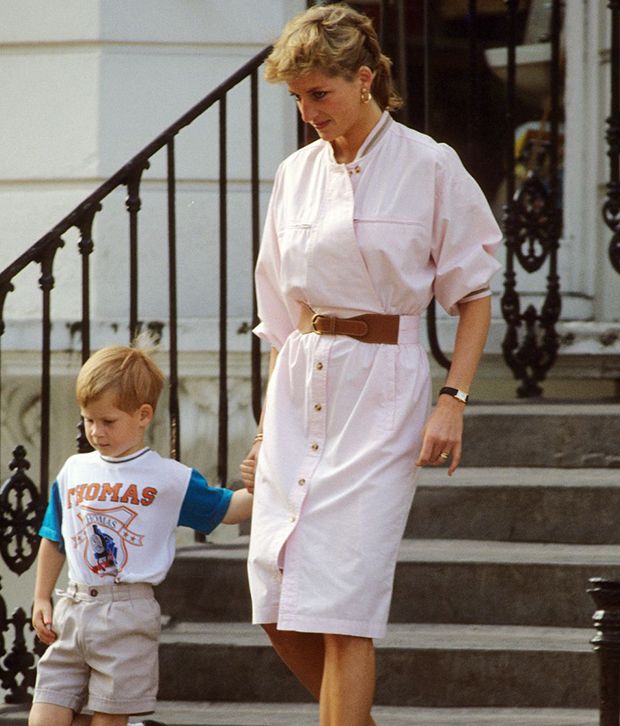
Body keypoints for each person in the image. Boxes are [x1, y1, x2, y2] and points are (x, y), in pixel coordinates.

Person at [239, 3, 502, 725]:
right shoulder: (295, 175)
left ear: (364, 80)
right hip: (300, 384)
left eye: (318, 94)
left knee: (343, 603)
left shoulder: (429, 164)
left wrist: (455, 398)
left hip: (383, 388)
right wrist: (265, 432)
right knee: (274, 588)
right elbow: (282, 318)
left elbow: (472, 296)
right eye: (297, 99)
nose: (307, 112)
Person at [29, 341, 253, 726]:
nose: (96, 431)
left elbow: (228, 510)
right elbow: (54, 536)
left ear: (143, 414)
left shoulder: (169, 478)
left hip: (127, 614)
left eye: (108, 421)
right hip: (73, 609)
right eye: (88, 419)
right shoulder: (73, 470)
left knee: (109, 720)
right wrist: (41, 597)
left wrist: (267, 486)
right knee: (43, 718)